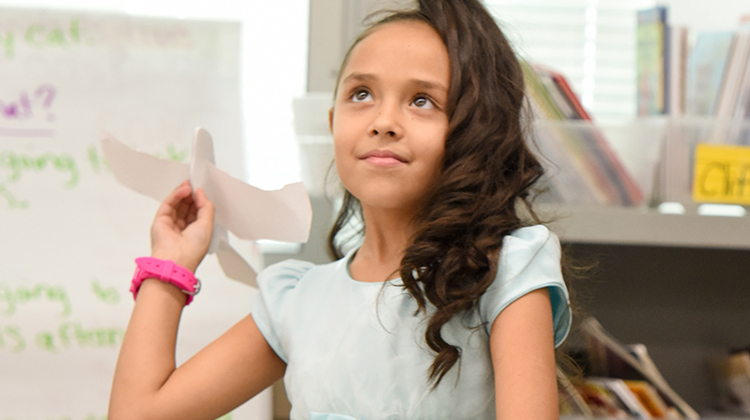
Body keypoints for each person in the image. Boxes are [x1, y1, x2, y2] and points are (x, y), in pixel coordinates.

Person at [108, 0, 572, 418]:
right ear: (332, 124)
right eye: (362, 94)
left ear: (474, 131)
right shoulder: (297, 301)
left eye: (422, 101)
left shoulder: (506, 273)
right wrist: (167, 266)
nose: (384, 122)